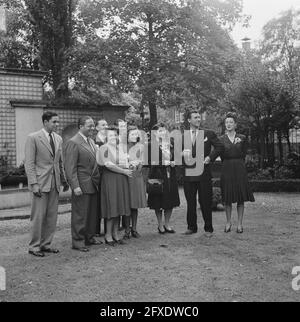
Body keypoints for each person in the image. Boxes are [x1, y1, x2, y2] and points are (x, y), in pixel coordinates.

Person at [24, 111, 69, 257]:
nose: (57, 124)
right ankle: (34, 246)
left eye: (58, 121)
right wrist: (34, 184)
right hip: (40, 183)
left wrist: (63, 179)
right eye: (54, 122)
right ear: (45, 122)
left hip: (54, 183)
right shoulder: (33, 138)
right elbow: (29, 163)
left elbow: (59, 162)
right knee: (38, 216)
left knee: (51, 216)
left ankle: (46, 244)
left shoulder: (58, 139)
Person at [182, 110, 224, 238]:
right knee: (190, 202)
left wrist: (210, 158)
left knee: (205, 201)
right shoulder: (182, 136)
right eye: (195, 117)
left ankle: (208, 229)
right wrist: (181, 154)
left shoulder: (208, 133)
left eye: (199, 117)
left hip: (204, 174)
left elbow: (220, 147)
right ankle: (191, 227)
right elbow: (176, 152)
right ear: (189, 120)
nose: (198, 119)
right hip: (188, 174)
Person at [64, 116, 101, 252]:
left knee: (91, 213)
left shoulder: (91, 141)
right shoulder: (73, 142)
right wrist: (75, 186)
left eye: (93, 125)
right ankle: (78, 241)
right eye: (89, 126)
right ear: (80, 126)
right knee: (80, 213)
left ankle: (89, 237)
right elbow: (70, 167)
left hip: (92, 183)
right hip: (81, 183)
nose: (92, 128)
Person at [97, 126, 133, 246]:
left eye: (115, 135)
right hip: (110, 180)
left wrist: (130, 165)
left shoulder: (119, 148)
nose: (114, 137)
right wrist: (124, 171)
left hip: (121, 180)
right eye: (111, 135)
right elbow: (108, 165)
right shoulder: (103, 148)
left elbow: (124, 163)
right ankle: (108, 236)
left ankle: (116, 234)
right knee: (111, 207)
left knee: (119, 207)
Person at [220, 112, 255, 234]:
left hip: (240, 168)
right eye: (226, 122)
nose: (228, 124)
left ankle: (240, 224)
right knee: (227, 198)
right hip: (226, 167)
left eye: (231, 122)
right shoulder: (221, 139)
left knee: (241, 197)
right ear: (225, 125)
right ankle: (228, 222)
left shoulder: (243, 138)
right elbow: (220, 155)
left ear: (235, 124)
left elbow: (244, 153)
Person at [147, 123, 180, 234]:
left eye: (164, 131)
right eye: (160, 131)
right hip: (158, 176)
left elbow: (176, 156)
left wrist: (175, 161)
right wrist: (164, 163)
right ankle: (160, 225)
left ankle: (167, 224)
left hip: (170, 175)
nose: (163, 133)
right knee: (158, 202)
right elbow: (150, 161)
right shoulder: (151, 145)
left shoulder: (170, 143)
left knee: (170, 200)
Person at [123, 126, 147, 239]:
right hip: (125, 176)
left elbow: (143, 161)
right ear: (127, 135)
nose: (135, 136)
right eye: (132, 134)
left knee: (135, 204)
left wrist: (138, 165)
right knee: (127, 203)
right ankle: (126, 229)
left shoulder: (141, 146)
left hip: (136, 176)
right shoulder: (122, 147)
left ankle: (134, 229)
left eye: (136, 134)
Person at [94, 119, 108, 236]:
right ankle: (96, 229)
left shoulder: (109, 140)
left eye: (107, 124)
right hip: (99, 174)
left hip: (109, 173)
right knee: (98, 202)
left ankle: (109, 228)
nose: (106, 126)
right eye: (103, 124)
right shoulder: (95, 141)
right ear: (97, 128)